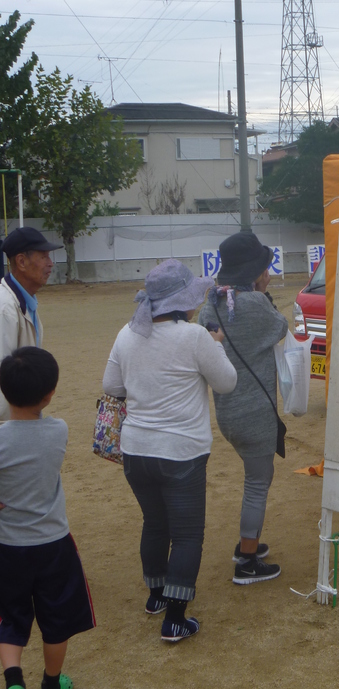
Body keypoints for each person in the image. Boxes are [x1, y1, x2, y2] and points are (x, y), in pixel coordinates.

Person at [103, 260, 237, 643]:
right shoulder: (193, 336)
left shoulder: (127, 334)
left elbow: (111, 385)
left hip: (136, 449)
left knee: (155, 524)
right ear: (183, 302)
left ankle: (156, 597)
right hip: (181, 451)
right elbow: (227, 382)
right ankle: (176, 619)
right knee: (188, 535)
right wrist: (215, 347)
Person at [0, 347, 95, 689]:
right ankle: (51, 687)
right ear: (50, 394)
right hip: (54, 543)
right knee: (56, 617)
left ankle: (13, 682)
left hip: (8, 546)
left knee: (10, 614)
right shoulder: (58, 431)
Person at [199, 232, 288, 586]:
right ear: (255, 271)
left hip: (228, 410)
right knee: (257, 482)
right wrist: (262, 293)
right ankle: (247, 560)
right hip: (256, 412)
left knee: (254, 478)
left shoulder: (212, 302)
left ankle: (248, 545)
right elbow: (280, 326)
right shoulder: (254, 304)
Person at [0, 227, 60, 421]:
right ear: (22, 261)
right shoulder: (5, 309)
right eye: (43, 257)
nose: (50, 264)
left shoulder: (25, 302)